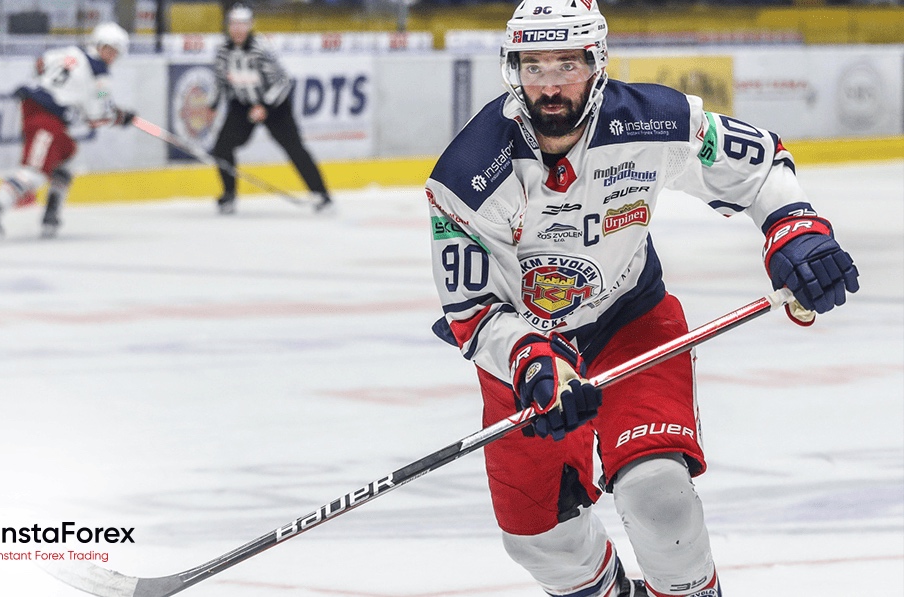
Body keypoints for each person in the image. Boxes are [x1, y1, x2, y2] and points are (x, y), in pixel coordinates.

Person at [424, 1, 859, 596]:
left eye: (567, 65)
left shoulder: (651, 121)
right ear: (513, 68)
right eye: (534, 66)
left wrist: (795, 229)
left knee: (661, 501)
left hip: (630, 323)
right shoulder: (467, 175)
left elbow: (757, 165)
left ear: (597, 63)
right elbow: (474, 311)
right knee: (543, 543)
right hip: (524, 355)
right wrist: (533, 361)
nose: (549, 86)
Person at [0, 22, 135, 239]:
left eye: (116, 53)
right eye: (110, 50)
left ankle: (51, 215)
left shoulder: (69, 53)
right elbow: (98, 114)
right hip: (47, 118)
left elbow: (40, 63)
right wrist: (119, 117)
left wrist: (46, 86)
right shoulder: (100, 77)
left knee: (66, 159)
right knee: (35, 171)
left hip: (40, 112)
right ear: (98, 45)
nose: (112, 56)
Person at [207, 4, 332, 214]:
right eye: (234, 24)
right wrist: (212, 106)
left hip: (275, 107)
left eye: (242, 24)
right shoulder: (223, 52)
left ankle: (322, 195)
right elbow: (220, 82)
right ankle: (229, 196)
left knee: (294, 148)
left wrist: (265, 106)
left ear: (250, 25)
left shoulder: (261, 49)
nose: (238, 29)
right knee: (222, 147)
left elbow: (283, 81)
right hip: (242, 106)